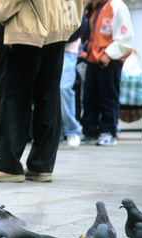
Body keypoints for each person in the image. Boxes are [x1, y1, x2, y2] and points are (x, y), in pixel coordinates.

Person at [0, 0, 84, 183]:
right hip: (57, 23)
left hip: (24, 22)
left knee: (13, 94)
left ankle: (8, 164)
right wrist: (71, 15)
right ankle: (41, 165)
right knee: (48, 93)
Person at [80, 0, 133, 146]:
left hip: (110, 58)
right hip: (93, 58)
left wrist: (109, 54)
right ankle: (90, 131)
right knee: (90, 97)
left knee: (108, 96)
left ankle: (109, 131)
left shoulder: (117, 6)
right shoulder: (96, 7)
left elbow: (126, 37)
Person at [60, 12, 88, 149]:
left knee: (64, 87)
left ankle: (72, 129)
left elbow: (81, 24)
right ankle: (55, 131)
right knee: (48, 90)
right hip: (47, 47)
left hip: (68, 48)